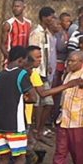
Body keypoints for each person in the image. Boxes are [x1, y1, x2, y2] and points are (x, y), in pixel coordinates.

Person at [0, 46, 34, 164]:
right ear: (20, 60)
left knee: (3, 159)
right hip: (15, 125)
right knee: (21, 160)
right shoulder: (21, 74)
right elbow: (33, 98)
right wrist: (25, 98)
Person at [29, 7, 56, 135]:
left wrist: (48, 65)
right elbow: (32, 52)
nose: (52, 20)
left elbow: (46, 53)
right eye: (51, 17)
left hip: (44, 72)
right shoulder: (36, 33)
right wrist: (36, 69)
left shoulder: (47, 33)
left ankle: (39, 129)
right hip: (37, 73)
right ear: (44, 17)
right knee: (39, 103)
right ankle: (36, 130)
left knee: (48, 103)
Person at [1, 0, 32, 64]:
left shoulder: (28, 23)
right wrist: (9, 58)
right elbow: (2, 45)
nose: (15, 8)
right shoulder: (8, 24)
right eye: (14, 6)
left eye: (18, 6)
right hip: (12, 60)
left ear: (23, 7)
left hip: (24, 60)